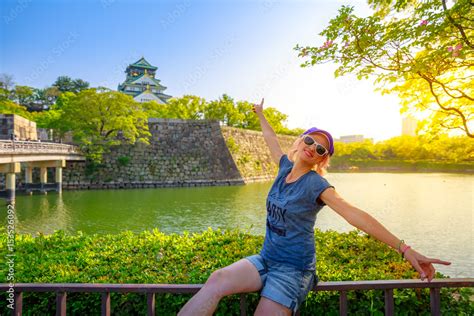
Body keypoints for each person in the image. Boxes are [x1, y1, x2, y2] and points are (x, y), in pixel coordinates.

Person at [178, 98, 451, 316]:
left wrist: (404, 248)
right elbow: (271, 140)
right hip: (266, 259)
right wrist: (260, 114)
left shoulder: (316, 185)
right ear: (299, 142)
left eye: (321, 149)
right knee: (216, 280)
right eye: (310, 141)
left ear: (323, 159)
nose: (313, 148)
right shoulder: (284, 166)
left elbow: (354, 214)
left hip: (295, 271)